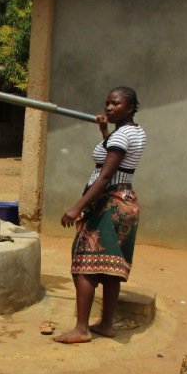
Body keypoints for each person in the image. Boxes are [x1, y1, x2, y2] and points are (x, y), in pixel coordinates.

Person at [53, 86, 147, 344]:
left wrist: (78, 207)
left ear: (130, 107)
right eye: (107, 103)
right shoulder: (134, 131)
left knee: (84, 263)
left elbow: (105, 176)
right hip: (125, 200)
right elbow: (114, 158)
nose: (109, 108)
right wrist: (104, 132)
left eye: (115, 104)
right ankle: (106, 324)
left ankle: (82, 329)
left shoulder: (122, 135)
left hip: (109, 203)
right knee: (109, 268)